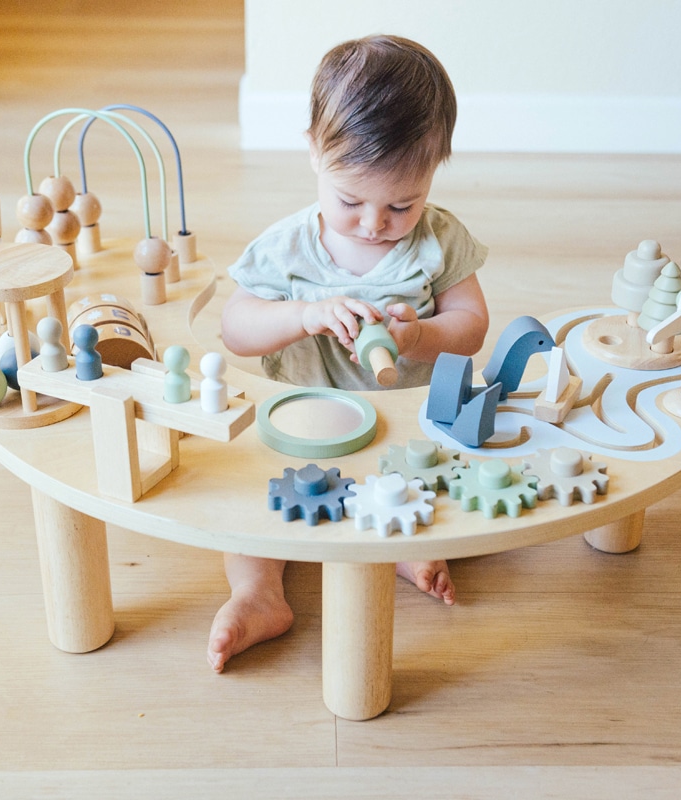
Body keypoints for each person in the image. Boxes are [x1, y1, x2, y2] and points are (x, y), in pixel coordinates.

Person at [208, 34, 489, 673]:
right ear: (313, 149)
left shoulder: (438, 243)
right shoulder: (286, 250)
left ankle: (406, 547)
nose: (373, 223)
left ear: (434, 170)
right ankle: (259, 594)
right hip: (304, 428)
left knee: (433, 492)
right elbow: (236, 328)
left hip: (406, 425)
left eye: (401, 204)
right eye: (350, 201)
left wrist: (420, 335)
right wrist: (304, 315)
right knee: (250, 509)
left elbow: (471, 325)